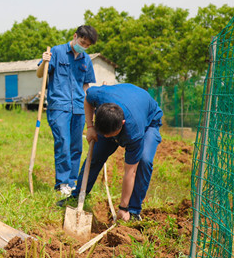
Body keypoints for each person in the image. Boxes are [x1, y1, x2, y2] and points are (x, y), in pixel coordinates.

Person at [78, 83, 163, 221]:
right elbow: (87, 101)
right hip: (120, 104)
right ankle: (77, 195)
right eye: (103, 134)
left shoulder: (133, 131)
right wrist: (90, 127)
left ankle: (133, 211)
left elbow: (131, 172)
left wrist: (123, 208)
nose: (106, 137)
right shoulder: (98, 96)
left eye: (110, 135)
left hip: (148, 121)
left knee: (144, 161)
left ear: (122, 124)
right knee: (96, 155)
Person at [37, 25, 98, 205]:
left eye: (87, 45)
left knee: (76, 146)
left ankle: (72, 182)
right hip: (59, 106)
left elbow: (86, 86)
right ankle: (62, 182)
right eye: (82, 42)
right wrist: (44, 62)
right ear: (75, 36)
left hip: (79, 107)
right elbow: (40, 74)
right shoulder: (56, 52)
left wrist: (92, 105)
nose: (83, 46)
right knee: (63, 141)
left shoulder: (86, 60)